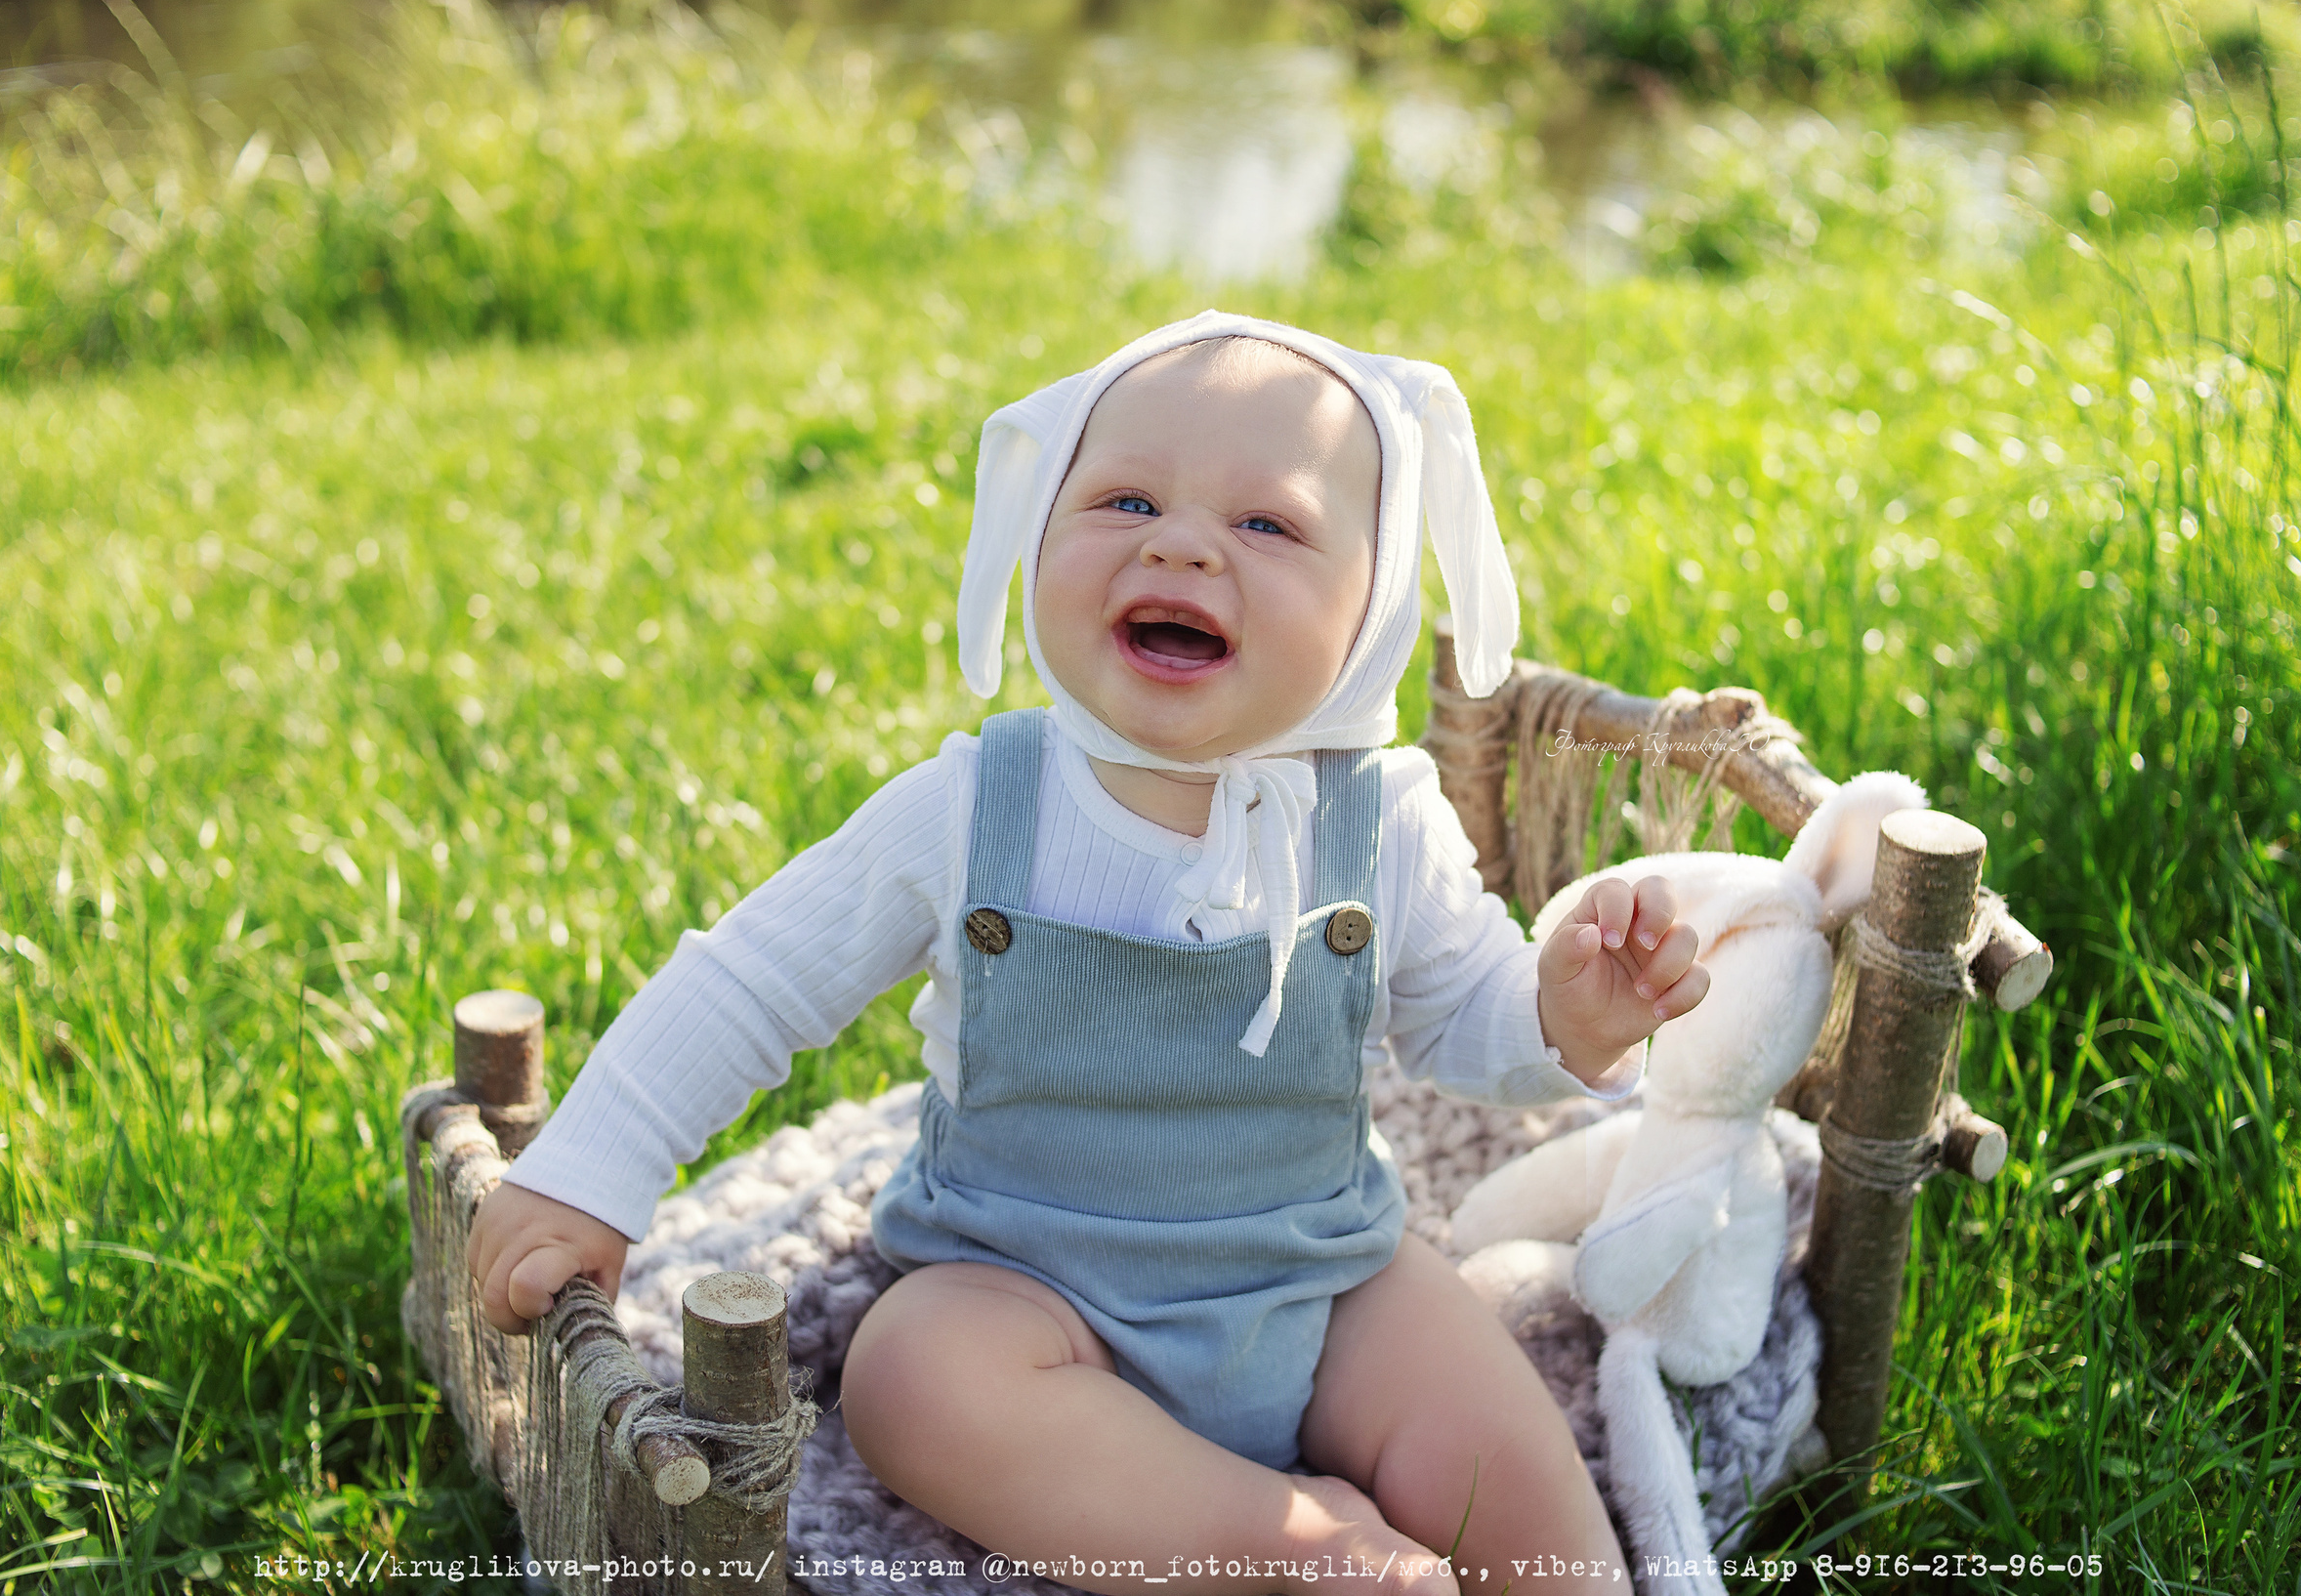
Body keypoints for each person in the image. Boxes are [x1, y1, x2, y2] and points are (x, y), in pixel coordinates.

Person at [468, 312, 1709, 1593]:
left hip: (1321, 1281)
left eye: (1267, 524)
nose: (1180, 545)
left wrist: (1565, 1016)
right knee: (909, 1378)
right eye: (1124, 501)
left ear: (1371, 601)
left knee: (1512, 1471)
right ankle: (1294, 1549)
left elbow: (1462, 1018)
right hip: (1025, 1292)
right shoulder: (972, 809)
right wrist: (589, 1172)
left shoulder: (1377, 817)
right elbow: (753, 979)